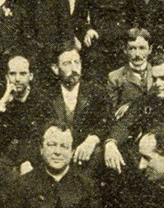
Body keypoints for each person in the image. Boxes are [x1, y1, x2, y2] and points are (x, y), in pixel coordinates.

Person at [36, 42, 112, 175]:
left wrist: (92, 139)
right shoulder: (45, 96)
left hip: (87, 159)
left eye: (77, 62)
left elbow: (107, 121)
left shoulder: (96, 92)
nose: (74, 68)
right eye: (67, 64)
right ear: (55, 68)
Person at [0, 53, 47, 171]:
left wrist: (26, 160)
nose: (17, 79)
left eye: (23, 74)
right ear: (7, 77)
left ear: (31, 76)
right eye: (12, 74)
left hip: (31, 161)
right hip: (2, 162)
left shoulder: (41, 100)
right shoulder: (0, 99)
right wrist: (4, 100)